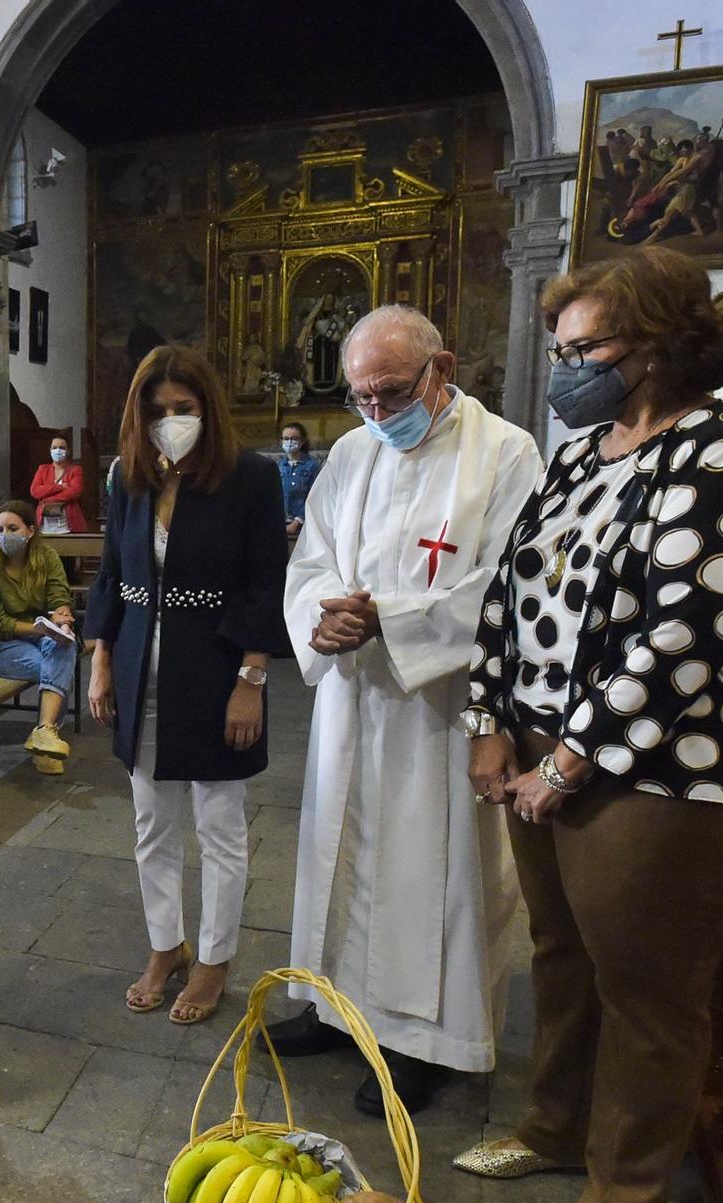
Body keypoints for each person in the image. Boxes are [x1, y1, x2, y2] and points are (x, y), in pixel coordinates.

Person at [452, 247, 723, 1203]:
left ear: (653, 343)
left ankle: (625, 1193)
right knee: (558, 956)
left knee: (645, 983)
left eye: (583, 347)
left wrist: (567, 760)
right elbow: (508, 594)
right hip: (538, 750)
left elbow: (692, 630)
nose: (565, 367)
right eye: (560, 349)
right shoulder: (582, 453)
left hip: (668, 766)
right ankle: (553, 1127)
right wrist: (486, 717)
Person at [273, 307, 543, 1117]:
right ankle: (334, 1007)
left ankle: (429, 1041)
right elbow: (311, 556)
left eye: (392, 393)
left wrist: (385, 616)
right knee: (341, 849)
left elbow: (507, 584)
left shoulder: (505, 451)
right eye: (361, 397)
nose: (379, 414)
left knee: (433, 872)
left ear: (441, 368)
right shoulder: (352, 452)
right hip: (353, 699)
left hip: (441, 704)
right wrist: (327, 613)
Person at [85, 346, 287, 1026]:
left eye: (184, 409)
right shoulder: (129, 476)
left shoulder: (250, 477)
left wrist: (251, 679)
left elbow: (266, 582)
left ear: (209, 409)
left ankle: (214, 957)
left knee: (221, 825)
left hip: (218, 666)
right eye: (158, 411)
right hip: (141, 662)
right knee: (151, 822)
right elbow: (112, 572)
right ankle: (165, 945)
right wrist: (101, 656)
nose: (171, 421)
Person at [0, 501, 78, 775]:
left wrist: (62, 617)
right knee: (56, 669)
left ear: (30, 531)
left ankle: (44, 733)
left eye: (12, 528)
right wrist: (39, 629)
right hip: (0, 646)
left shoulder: (46, 557)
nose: (4, 535)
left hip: (40, 635)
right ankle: (47, 735)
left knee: (66, 644)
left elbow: (59, 594)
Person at [29, 434, 89, 533]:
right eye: (54, 447)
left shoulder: (75, 470)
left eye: (62, 448)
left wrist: (45, 498)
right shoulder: (43, 469)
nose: (58, 450)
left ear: (68, 451)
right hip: (44, 527)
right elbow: (35, 491)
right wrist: (60, 487)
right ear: (50, 450)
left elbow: (74, 492)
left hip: (68, 527)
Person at [275, 422, 322, 537]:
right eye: (286, 438)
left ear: (302, 441)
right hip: (279, 524)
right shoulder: (279, 466)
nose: (289, 442)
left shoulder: (312, 466)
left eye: (294, 438)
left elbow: (315, 496)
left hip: (304, 525)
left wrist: (298, 520)